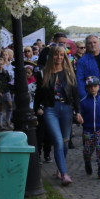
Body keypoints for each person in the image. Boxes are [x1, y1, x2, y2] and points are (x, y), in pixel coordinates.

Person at [34, 45, 83, 186]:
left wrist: (78, 112)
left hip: (66, 109)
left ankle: (59, 168)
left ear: (65, 57)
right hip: (50, 110)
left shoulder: (69, 72)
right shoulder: (44, 73)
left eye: (61, 55)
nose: (59, 58)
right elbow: (38, 94)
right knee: (58, 141)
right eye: (56, 55)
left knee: (65, 143)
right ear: (51, 57)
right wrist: (36, 109)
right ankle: (64, 173)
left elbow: (75, 95)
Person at [79, 76, 100, 179]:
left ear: (98, 87)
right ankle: (87, 161)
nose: (93, 89)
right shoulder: (83, 102)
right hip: (88, 130)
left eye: (95, 86)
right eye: (90, 87)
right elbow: (80, 114)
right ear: (87, 88)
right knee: (88, 150)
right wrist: (79, 119)